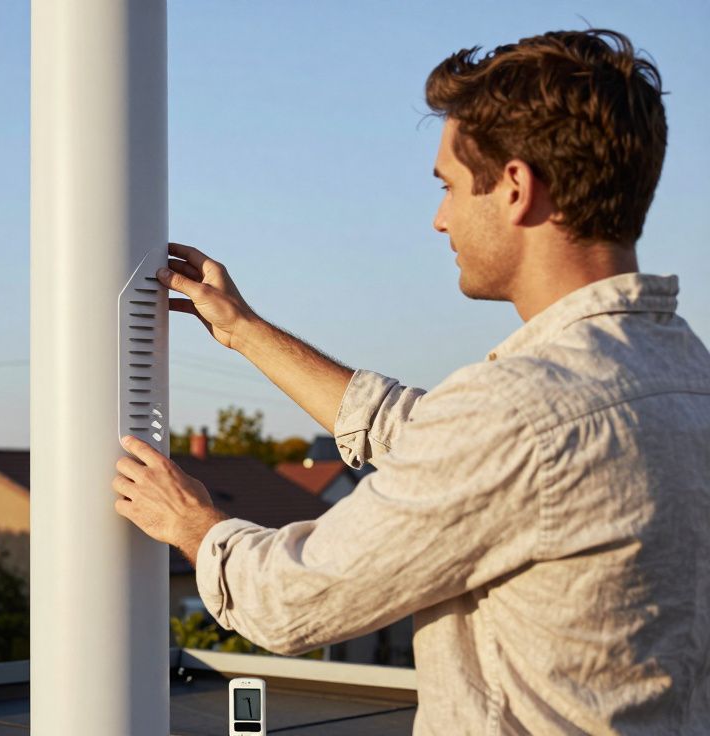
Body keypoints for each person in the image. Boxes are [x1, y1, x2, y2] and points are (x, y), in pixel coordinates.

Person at [111, 29, 709, 734]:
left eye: (448, 186)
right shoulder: (685, 374)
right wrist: (243, 329)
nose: (439, 219)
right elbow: (428, 436)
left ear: (516, 189)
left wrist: (194, 524)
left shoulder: (521, 413)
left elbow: (293, 599)